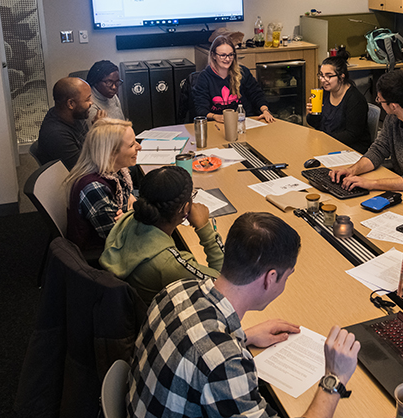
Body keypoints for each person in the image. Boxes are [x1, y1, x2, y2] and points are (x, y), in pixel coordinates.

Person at [128, 212, 360, 418]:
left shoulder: (176, 289)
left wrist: (244, 336)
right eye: (287, 276)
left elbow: (193, 344)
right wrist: (334, 378)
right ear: (270, 278)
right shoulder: (226, 365)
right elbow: (215, 361)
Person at [100, 165, 224, 305]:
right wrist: (204, 228)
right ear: (185, 208)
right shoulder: (168, 264)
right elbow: (225, 284)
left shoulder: (129, 219)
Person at [65, 118, 140, 252]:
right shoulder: (94, 188)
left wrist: (129, 213)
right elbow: (119, 239)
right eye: (131, 145)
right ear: (111, 153)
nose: (139, 147)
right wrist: (132, 216)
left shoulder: (117, 172)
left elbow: (131, 202)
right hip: (107, 253)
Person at [192, 34, 276, 123]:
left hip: (244, 121)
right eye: (223, 55)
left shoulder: (243, 72)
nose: (227, 59)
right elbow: (200, 109)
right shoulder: (204, 78)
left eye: (230, 55)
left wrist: (265, 111)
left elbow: (257, 94)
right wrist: (215, 117)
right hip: (217, 123)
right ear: (213, 55)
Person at [306, 56, 371, 154]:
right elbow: (317, 125)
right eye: (321, 75)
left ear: (341, 76)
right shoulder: (324, 92)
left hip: (351, 149)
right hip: (328, 145)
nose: (323, 80)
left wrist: (325, 139)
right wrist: (313, 114)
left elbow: (352, 135)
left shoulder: (355, 99)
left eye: (329, 76)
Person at [36, 77, 92, 170]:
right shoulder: (56, 135)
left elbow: (88, 145)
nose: (91, 103)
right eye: (87, 100)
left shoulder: (75, 115)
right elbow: (83, 170)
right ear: (71, 104)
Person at [86, 60, 125, 125]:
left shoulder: (111, 95)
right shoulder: (90, 105)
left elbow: (123, 123)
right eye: (109, 82)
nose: (114, 87)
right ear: (96, 82)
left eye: (117, 82)